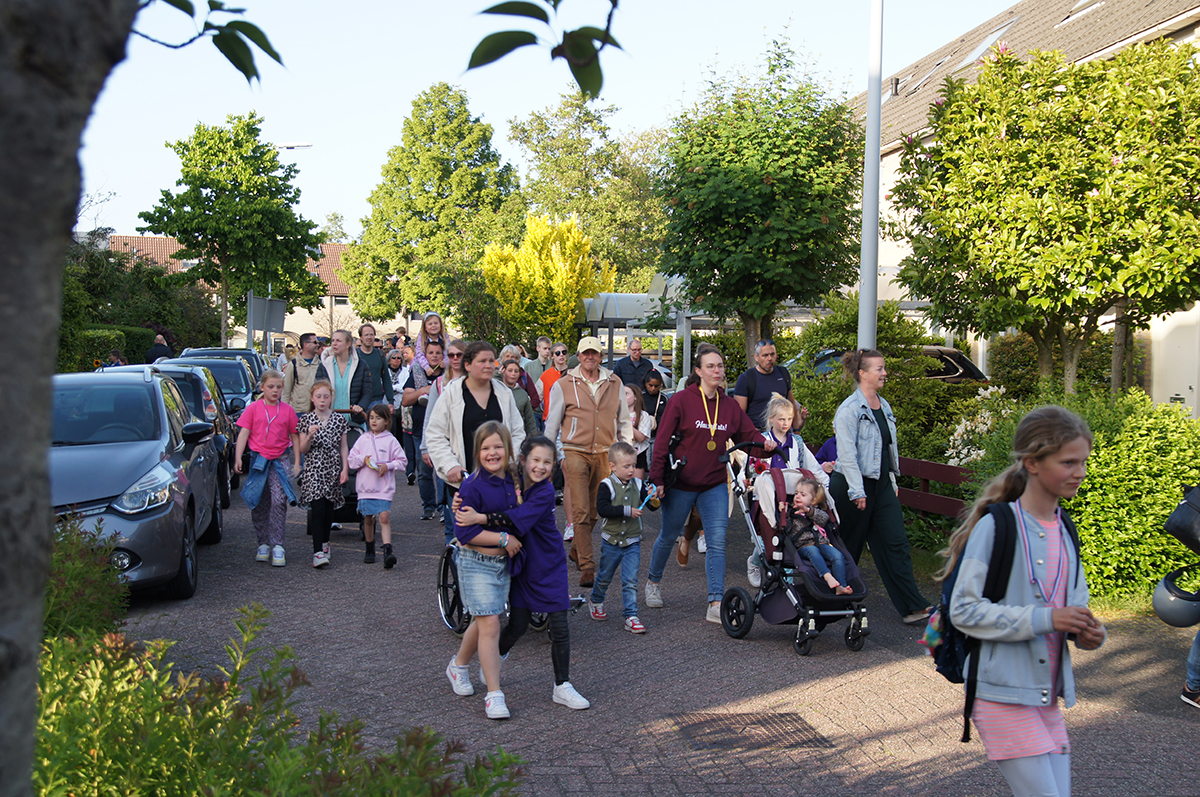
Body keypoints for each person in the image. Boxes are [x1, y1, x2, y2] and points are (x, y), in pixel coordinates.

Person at [942, 405, 1106, 797]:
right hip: (1000, 694)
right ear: (1032, 462)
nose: (1080, 472)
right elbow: (963, 610)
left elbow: (1072, 610)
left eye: (1083, 461)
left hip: (1044, 697)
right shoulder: (996, 526)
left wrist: (1088, 633)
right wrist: (1049, 619)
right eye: (1068, 462)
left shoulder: (1066, 529)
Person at [455, 434, 591, 711]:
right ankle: (496, 657)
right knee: (517, 624)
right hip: (520, 563)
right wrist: (461, 501)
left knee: (559, 625)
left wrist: (480, 517)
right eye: (535, 460)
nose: (540, 467)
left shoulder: (544, 492)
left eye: (547, 462)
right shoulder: (509, 481)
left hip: (548, 563)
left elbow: (517, 518)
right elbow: (485, 490)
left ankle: (562, 685)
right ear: (522, 460)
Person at [644, 343, 774, 623]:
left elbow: (748, 435)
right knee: (668, 534)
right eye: (711, 366)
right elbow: (662, 442)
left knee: (717, 542)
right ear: (699, 371)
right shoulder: (682, 400)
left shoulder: (729, 406)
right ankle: (653, 582)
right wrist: (656, 479)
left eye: (720, 366)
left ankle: (715, 602)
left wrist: (767, 445)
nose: (717, 370)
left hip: (714, 483)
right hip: (682, 483)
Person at [828, 349, 932, 624]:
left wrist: (892, 480)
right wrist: (857, 491)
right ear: (863, 373)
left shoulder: (884, 406)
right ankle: (828, 601)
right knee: (849, 547)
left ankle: (913, 607)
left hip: (881, 484)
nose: (885, 373)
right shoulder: (849, 410)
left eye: (884, 368)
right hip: (851, 486)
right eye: (880, 369)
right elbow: (847, 455)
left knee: (896, 543)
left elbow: (886, 450)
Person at [444, 422, 524, 720]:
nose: (493, 453)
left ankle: (458, 665)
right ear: (477, 452)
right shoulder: (472, 486)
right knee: (490, 623)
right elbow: (464, 533)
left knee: (483, 619)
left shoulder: (513, 480)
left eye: (498, 446)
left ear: (508, 449)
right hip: (476, 563)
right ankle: (494, 694)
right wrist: (503, 539)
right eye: (486, 447)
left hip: (503, 565)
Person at [544, 335, 634, 589]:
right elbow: (552, 424)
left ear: (601, 356)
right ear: (578, 356)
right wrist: (548, 458)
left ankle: (577, 548)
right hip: (575, 450)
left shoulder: (614, 382)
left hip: (605, 452)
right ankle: (587, 566)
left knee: (596, 509)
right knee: (582, 510)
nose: (590, 357)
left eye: (594, 353)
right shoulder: (564, 384)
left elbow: (624, 420)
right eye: (586, 353)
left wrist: (626, 453)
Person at [425, 341, 526, 546]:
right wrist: (449, 465)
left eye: (491, 361)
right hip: (464, 480)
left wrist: (509, 461)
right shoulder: (452, 393)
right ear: (468, 365)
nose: (488, 365)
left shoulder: (503, 393)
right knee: (467, 537)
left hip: (499, 479)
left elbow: (517, 432)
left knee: (498, 532)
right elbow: (435, 434)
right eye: (482, 361)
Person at [744, 393, 830, 587]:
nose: (785, 423)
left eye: (789, 419)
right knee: (767, 538)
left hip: (791, 498)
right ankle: (755, 561)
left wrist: (825, 486)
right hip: (767, 498)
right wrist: (746, 480)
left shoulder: (797, 443)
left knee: (789, 537)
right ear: (771, 419)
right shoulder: (762, 441)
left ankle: (788, 583)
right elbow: (749, 468)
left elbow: (813, 468)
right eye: (781, 419)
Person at [588, 441, 657, 634]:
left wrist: (654, 498)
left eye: (633, 465)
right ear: (612, 466)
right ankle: (596, 600)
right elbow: (603, 509)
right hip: (611, 541)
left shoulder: (638, 483)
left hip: (632, 541)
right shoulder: (606, 485)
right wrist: (627, 510)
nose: (631, 470)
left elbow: (651, 506)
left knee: (630, 580)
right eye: (626, 466)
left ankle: (631, 615)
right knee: (605, 576)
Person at [234, 368, 301, 567]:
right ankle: (263, 542)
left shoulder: (287, 410)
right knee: (259, 501)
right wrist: (238, 457)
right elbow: (244, 433)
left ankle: (278, 544)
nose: (275, 391)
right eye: (271, 387)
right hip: (258, 460)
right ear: (262, 387)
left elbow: (295, 436)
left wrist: (297, 461)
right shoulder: (253, 408)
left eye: (279, 387)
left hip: (280, 459)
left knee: (279, 500)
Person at [295, 381, 349, 568]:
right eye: (318, 396)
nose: (322, 400)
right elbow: (303, 449)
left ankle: (325, 542)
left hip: (332, 467)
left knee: (327, 509)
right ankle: (317, 551)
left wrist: (345, 469)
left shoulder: (339, 420)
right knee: (317, 509)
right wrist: (309, 436)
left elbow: (343, 446)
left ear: (331, 398)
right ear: (312, 398)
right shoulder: (306, 419)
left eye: (326, 396)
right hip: (314, 468)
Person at [348, 403, 406, 568]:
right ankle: (369, 547)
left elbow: (402, 461)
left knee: (384, 517)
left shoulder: (391, 440)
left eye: (378, 418)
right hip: (366, 487)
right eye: (371, 418)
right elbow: (352, 460)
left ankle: (388, 550)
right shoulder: (363, 439)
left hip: (383, 487)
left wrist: (388, 465)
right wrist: (363, 460)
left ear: (386, 421)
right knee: (368, 518)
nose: (374, 421)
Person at [787, 478, 852, 595]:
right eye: (796, 493)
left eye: (803, 494)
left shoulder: (817, 511)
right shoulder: (792, 512)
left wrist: (808, 511)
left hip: (822, 543)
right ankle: (827, 576)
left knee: (838, 556)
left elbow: (824, 519)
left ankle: (841, 586)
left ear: (813, 500)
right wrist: (785, 513)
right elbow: (786, 529)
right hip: (804, 545)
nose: (797, 496)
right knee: (813, 552)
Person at [403, 339, 444, 520]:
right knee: (424, 471)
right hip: (421, 430)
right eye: (430, 353)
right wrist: (423, 390)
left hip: (443, 430)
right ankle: (428, 506)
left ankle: (443, 508)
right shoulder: (417, 374)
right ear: (425, 356)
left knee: (442, 471)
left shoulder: (448, 375)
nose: (434, 356)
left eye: (438, 353)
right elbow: (405, 400)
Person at [733, 339, 807, 432]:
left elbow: (791, 404)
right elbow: (739, 415)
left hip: (783, 433)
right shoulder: (746, 378)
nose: (769, 358)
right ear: (756, 357)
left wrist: (796, 430)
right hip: (758, 433)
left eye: (772, 354)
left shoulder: (783, 373)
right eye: (765, 355)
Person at [319, 329, 369, 426]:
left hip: (353, 419)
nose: (334, 344)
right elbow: (317, 390)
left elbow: (367, 391)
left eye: (338, 341)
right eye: (333, 341)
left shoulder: (361, 365)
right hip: (329, 419)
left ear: (348, 344)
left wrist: (360, 406)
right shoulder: (324, 365)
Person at [386, 347, 416, 484]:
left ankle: (404, 463)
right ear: (389, 359)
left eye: (399, 358)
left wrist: (393, 388)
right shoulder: (385, 371)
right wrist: (394, 389)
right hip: (388, 405)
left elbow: (404, 387)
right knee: (391, 431)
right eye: (394, 358)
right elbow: (384, 385)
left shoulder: (406, 371)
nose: (397, 360)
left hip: (403, 406)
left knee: (401, 434)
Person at [282, 333, 329, 414]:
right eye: (315, 342)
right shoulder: (294, 364)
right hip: (300, 410)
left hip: (319, 410)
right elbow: (286, 391)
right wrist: (284, 412)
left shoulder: (322, 363)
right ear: (306, 344)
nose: (317, 345)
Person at [355, 323, 393, 410]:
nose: (369, 337)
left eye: (371, 334)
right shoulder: (354, 355)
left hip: (376, 399)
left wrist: (390, 400)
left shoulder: (380, 354)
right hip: (358, 401)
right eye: (366, 335)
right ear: (361, 337)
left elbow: (386, 378)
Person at [500, 344, 542, 421]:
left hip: (520, 421)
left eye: (513, 357)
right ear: (502, 358)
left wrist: (525, 410)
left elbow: (535, 399)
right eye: (507, 356)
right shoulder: (496, 377)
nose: (510, 359)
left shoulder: (524, 376)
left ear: (517, 359)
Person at [500, 358, 538, 439]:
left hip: (517, 436)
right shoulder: (496, 389)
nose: (513, 374)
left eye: (516, 371)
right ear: (503, 371)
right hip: (499, 434)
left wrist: (533, 440)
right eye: (510, 370)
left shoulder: (523, 394)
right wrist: (498, 373)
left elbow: (530, 421)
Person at [625, 385, 653, 481]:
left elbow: (641, 438)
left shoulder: (643, 415)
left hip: (638, 454)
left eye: (626, 394)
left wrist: (626, 422)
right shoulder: (616, 414)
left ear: (635, 397)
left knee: (636, 485)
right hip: (621, 454)